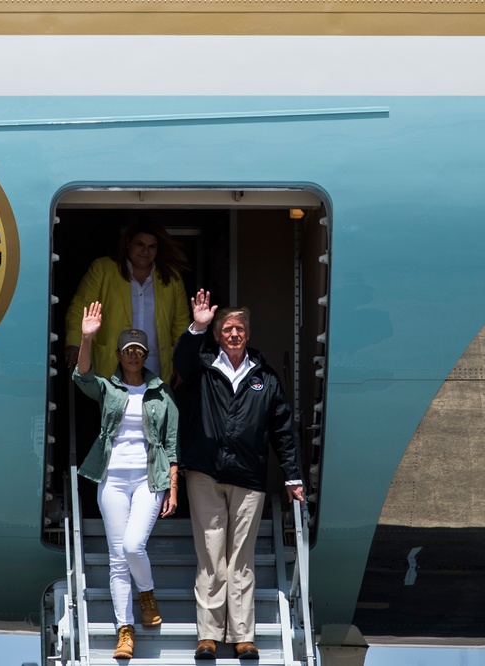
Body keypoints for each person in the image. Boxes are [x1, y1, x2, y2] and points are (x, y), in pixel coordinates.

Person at [172, 289, 304, 661]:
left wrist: (293, 478)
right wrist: (196, 327)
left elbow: (282, 430)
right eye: (226, 328)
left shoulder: (265, 377)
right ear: (217, 334)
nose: (233, 334)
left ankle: (244, 635)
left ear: (248, 333)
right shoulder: (202, 365)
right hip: (205, 473)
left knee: (241, 559)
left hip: (248, 476)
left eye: (239, 328)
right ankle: (209, 635)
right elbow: (180, 362)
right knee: (211, 555)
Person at [73, 301, 180, 660]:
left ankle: (146, 592)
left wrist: (173, 488)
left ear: (146, 355)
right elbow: (82, 378)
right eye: (128, 351)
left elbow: (172, 444)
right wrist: (87, 339)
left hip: (150, 478)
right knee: (117, 557)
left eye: (139, 351)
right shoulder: (108, 389)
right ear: (119, 355)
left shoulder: (162, 393)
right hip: (113, 478)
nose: (134, 356)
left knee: (134, 546)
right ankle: (125, 630)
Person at [65, 221, 189, 383]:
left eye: (152, 246)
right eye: (140, 244)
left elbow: (180, 323)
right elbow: (81, 308)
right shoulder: (103, 269)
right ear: (128, 244)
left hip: (155, 363)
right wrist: (75, 342)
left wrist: (182, 363)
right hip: (112, 362)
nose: (145, 251)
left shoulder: (171, 276)